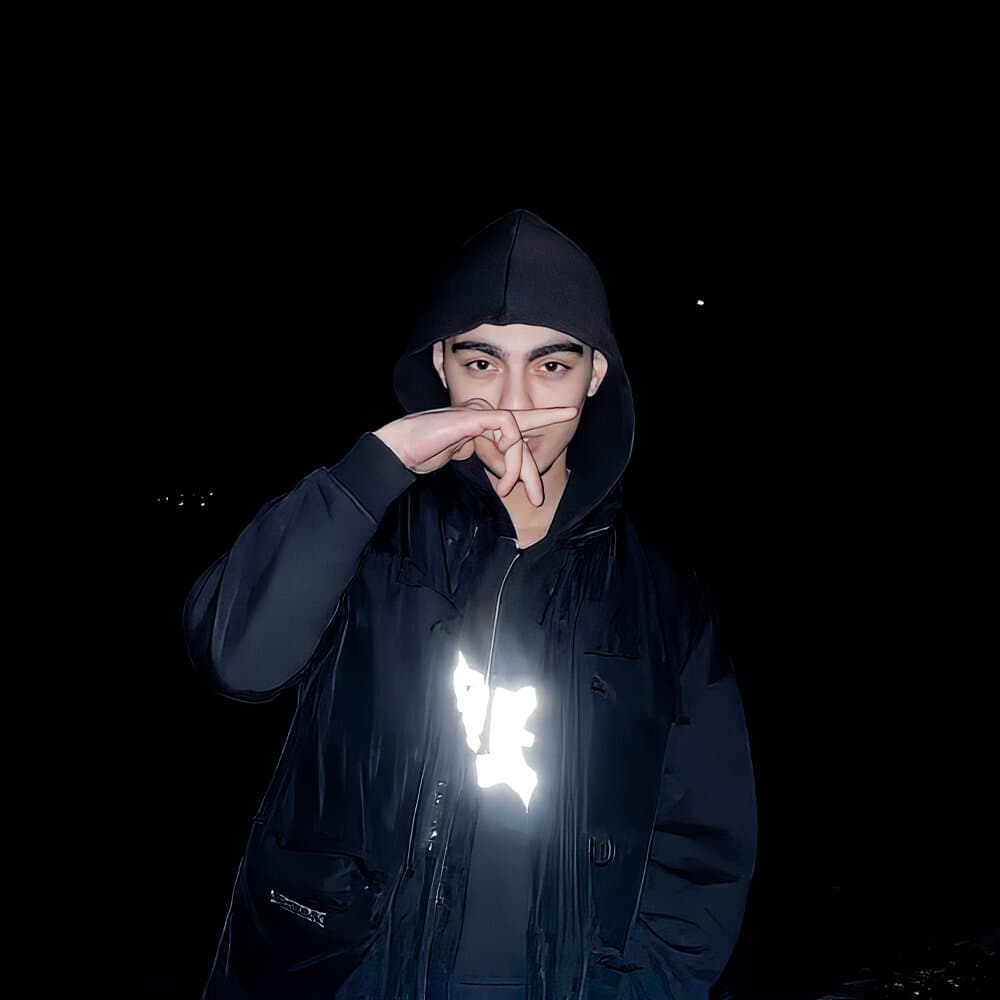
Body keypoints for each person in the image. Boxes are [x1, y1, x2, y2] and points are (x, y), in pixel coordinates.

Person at [182, 207, 758, 1000]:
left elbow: (703, 852)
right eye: (483, 362)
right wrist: (376, 464)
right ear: (441, 365)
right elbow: (235, 660)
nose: (512, 402)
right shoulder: (365, 534)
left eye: (551, 365)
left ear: (595, 374)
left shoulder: (665, 598)